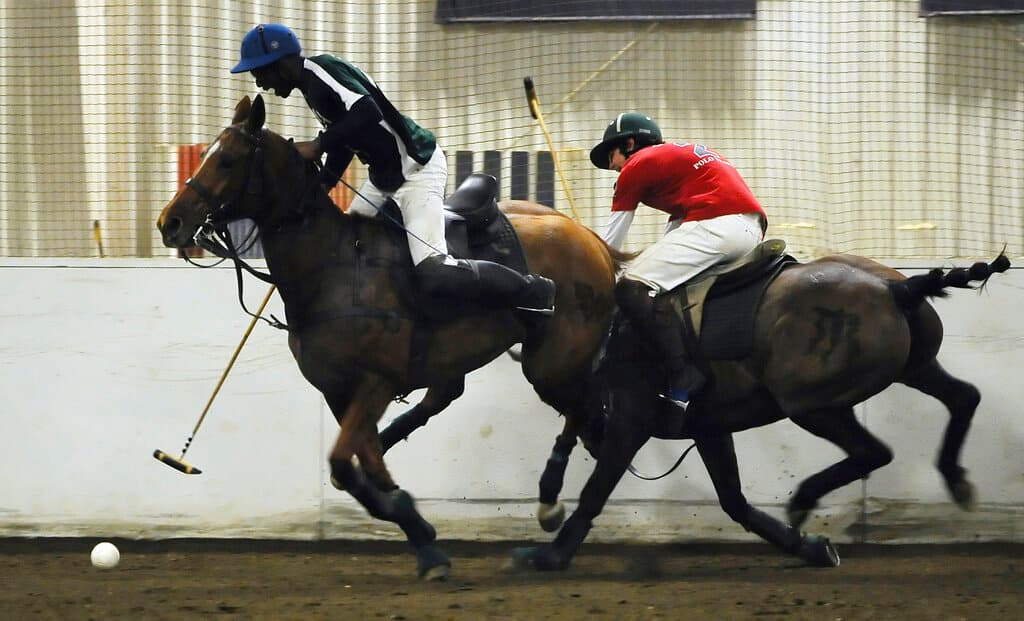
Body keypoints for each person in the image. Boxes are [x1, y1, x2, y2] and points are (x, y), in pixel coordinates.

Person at [230, 24, 555, 314]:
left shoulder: (320, 72)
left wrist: (317, 145)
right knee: (345, 247)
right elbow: (345, 141)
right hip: (383, 179)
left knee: (434, 269)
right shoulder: (310, 88)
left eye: (259, 72)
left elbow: (367, 112)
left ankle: (532, 289)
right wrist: (323, 185)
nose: (260, 82)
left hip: (417, 169)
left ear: (279, 63)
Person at [590, 112, 767, 411]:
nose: (613, 167)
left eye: (612, 155)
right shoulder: (675, 163)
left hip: (717, 224)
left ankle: (682, 374)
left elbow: (609, 245)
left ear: (630, 144)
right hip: (750, 230)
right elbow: (675, 232)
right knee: (663, 285)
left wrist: (590, 272)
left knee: (630, 286)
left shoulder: (637, 164)